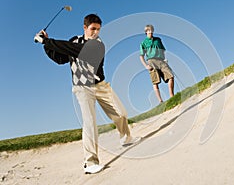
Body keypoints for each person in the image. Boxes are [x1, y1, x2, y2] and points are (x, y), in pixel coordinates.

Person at [34, 14, 141, 174]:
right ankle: (90, 163)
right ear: (85, 28)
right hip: (82, 88)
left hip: (100, 85)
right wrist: (46, 44)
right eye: (93, 29)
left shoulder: (98, 45)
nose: (96, 32)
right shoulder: (74, 40)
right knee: (90, 122)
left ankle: (126, 138)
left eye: (98, 29)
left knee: (121, 113)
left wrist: (47, 42)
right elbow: (60, 58)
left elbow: (77, 51)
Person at [139, 24, 174, 103]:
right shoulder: (143, 43)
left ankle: (172, 96)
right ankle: (160, 101)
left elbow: (162, 50)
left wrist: (164, 58)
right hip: (151, 61)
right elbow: (141, 56)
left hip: (161, 60)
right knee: (155, 81)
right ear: (146, 32)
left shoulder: (158, 40)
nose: (150, 31)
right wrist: (146, 66)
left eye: (151, 30)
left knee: (170, 76)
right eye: (148, 30)